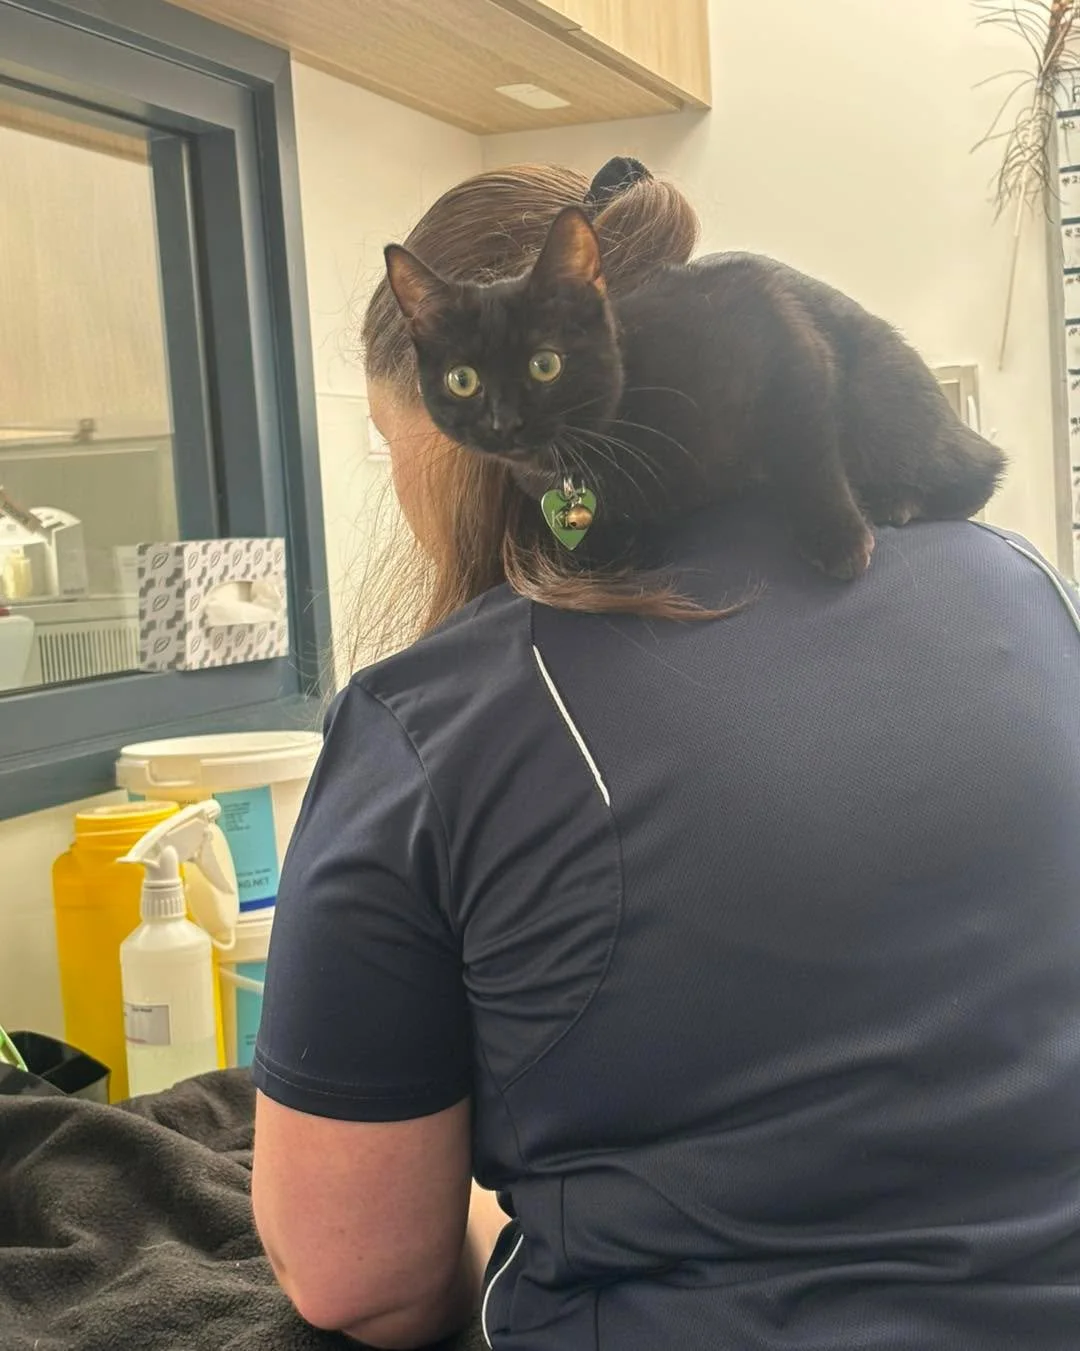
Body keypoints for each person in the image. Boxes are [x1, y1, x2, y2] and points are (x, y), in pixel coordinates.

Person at [250, 162, 1080, 1351]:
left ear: (443, 427)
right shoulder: (1024, 585)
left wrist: (497, 1230)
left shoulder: (439, 718)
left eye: (387, 438)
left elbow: (353, 1278)